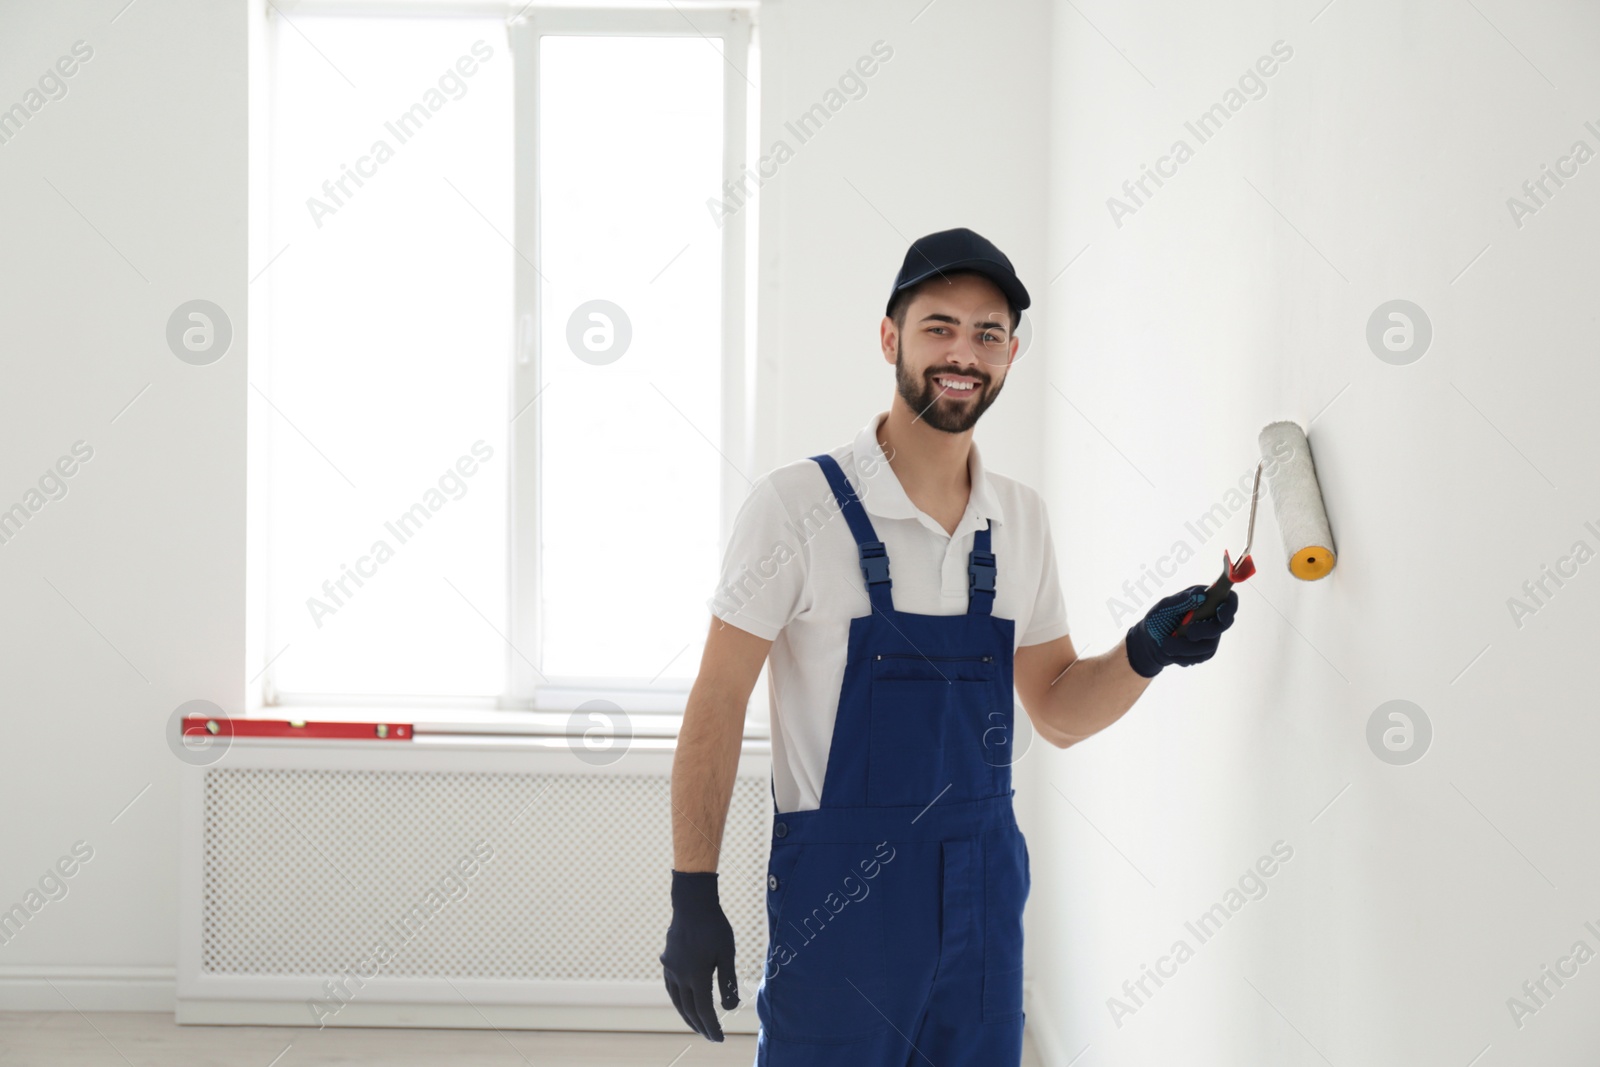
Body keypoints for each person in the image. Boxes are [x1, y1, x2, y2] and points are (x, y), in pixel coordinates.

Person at [658, 227, 1239, 1065]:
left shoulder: (1020, 517)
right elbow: (717, 699)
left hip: (983, 897)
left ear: (1008, 356)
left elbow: (1060, 709)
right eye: (940, 327)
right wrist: (692, 888)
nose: (963, 352)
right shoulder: (795, 508)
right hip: (843, 905)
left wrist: (1146, 650)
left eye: (988, 333)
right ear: (890, 337)